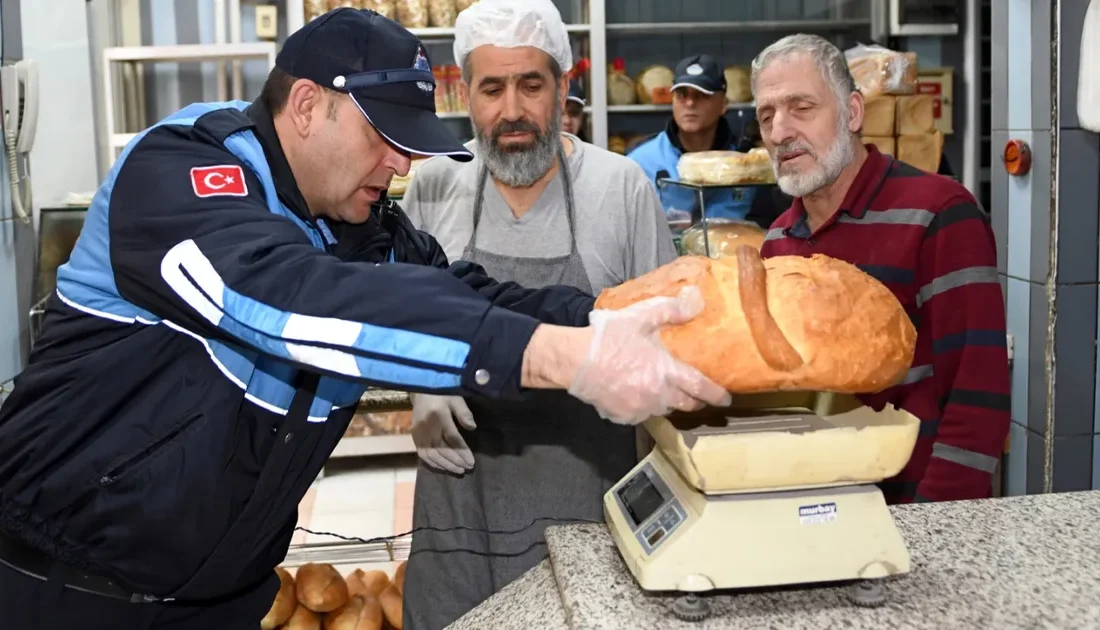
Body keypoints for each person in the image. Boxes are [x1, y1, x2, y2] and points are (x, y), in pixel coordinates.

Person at [0, 8, 731, 629]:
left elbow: (472, 294)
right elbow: (289, 298)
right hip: (60, 591)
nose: (402, 165)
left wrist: (623, 315)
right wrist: (561, 357)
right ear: (309, 106)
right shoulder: (184, 171)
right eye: (383, 136)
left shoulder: (365, 227)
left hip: (216, 601)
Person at [398, 2, 679, 628]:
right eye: (491, 88)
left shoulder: (621, 187)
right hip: (459, 502)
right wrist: (422, 383)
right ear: (464, 92)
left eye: (532, 84)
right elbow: (404, 317)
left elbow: (666, 352)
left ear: (563, 87)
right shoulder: (434, 185)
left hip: (592, 501)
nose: (512, 111)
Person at [752, 34, 1010, 504]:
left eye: (801, 107)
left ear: (852, 112)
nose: (779, 131)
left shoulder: (938, 214)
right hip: (814, 510)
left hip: (914, 513)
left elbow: (978, 395)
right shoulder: (777, 243)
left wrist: (937, 526)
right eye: (766, 115)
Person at [628, 54, 756, 222]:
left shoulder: (744, 166)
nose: (689, 103)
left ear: (724, 104)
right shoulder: (640, 163)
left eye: (702, 95)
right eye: (681, 95)